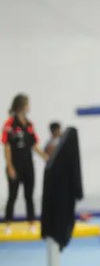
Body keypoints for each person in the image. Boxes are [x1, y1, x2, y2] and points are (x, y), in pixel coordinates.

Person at [3, 93, 48, 223]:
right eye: (27, 104)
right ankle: (8, 222)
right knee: (13, 195)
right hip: (15, 164)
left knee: (29, 195)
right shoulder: (9, 124)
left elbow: (34, 144)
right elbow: (7, 146)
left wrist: (46, 157)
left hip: (28, 165)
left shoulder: (29, 124)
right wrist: (10, 166)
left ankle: (31, 221)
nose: (29, 107)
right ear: (21, 106)